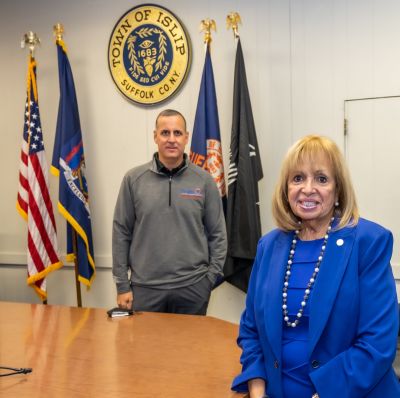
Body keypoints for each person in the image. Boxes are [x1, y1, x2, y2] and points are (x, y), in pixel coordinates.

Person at [232, 135, 400, 397]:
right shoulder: (269, 246)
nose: (307, 188)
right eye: (297, 178)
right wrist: (257, 390)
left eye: (321, 179)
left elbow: (377, 343)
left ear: (337, 190)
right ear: (286, 189)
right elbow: (251, 330)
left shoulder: (369, 242)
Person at [112, 109, 227, 315]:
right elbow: (121, 232)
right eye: (165, 133)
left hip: (192, 288)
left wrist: (208, 281)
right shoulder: (133, 179)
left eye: (177, 133)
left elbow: (218, 234)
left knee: (190, 348)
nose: (171, 139)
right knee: (146, 348)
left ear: (186, 137)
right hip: (145, 289)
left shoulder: (204, 180)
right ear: (155, 136)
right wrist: (122, 285)